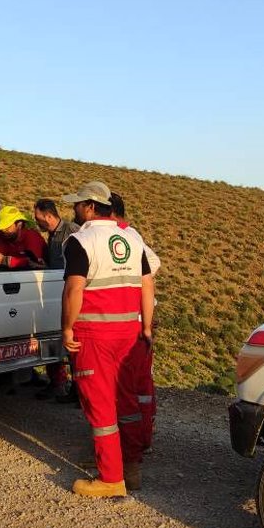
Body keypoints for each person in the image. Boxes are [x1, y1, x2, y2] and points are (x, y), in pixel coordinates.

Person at [61, 181, 154, 497]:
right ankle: (131, 468)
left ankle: (111, 479)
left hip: (94, 335)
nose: (73, 209)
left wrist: (67, 328)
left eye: (77, 204)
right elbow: (146, 285)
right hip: (128, 333)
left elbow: (74, 289)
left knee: (101, 408)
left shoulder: (80, 241)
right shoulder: (131, 237)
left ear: (89, 206)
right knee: (125, 402)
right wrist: (146, 328)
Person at [109, 193, 160, 452]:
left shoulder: (125, 235)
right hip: (139, 318)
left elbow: (152, 264)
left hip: (135, 320)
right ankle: (141, 440)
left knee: (131, 386)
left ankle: (133, 444)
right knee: (140, 386)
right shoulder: (128, 235)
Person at [33, 198, 81, 401]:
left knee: (74, 342)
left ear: (48, 216)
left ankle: (78, 391)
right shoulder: (52, 236)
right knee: (53, 338)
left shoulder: (71, 230)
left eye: (38, 218)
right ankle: (59, 383)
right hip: (54, 293)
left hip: (71, 292)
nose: (36, 222)